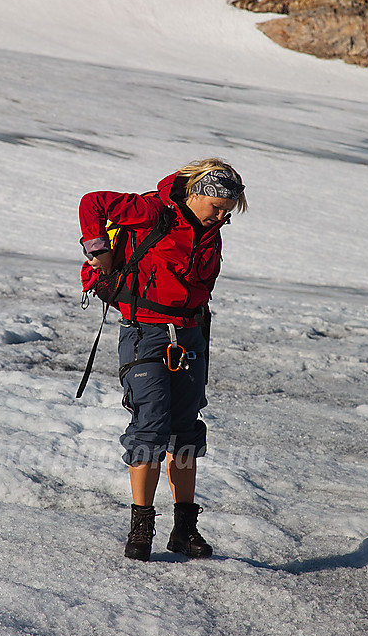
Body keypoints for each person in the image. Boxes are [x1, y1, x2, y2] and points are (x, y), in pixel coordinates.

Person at [79, 158, 247, 561]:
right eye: (217, 207)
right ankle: (142, 528)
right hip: (145, 332)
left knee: (186, 430)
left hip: (190, 333)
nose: (222, 216)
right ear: (197, 193)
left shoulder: (211, 230)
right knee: (149, 428)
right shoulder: (153, 210)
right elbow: (92, 203)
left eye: (229, 209)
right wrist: (98, 250)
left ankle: (184, 529)